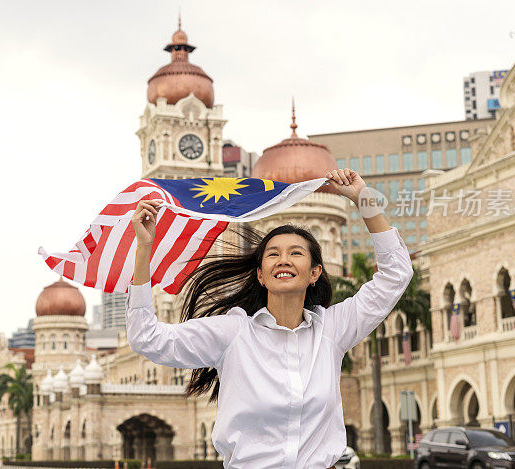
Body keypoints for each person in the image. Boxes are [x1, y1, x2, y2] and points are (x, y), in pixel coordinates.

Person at [126, 168, 414, 468]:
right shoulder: (234, 333)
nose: (284, 260)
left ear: (315, 272)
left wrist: (363, 199)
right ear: (261, 275)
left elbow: (396, 275)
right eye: (273, 254)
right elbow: (147, 338)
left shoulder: (332, 330)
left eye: (296, 253)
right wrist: (144, 249)